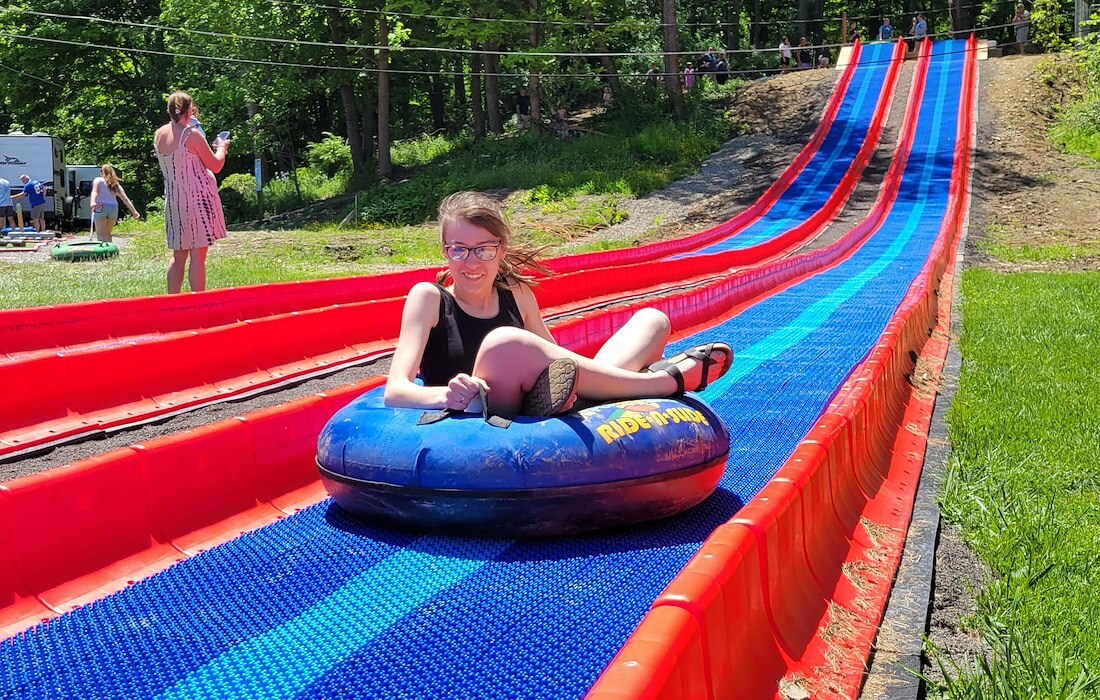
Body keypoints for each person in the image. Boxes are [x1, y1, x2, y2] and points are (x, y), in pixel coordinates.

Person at [383, 191, 734, 418]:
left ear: (501, 250)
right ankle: (661, 384)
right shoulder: (428, 298)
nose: (470, 262)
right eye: (458, 249)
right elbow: (395, 390)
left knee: (652, 320)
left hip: (535, 396)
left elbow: (557, 361)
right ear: (446, 251)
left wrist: (567, 386)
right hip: (485, 408)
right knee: (504, 342)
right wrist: (448, 395)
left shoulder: (517, 292)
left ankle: (586, 400)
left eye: (484, 249)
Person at [154, 90, 229, 294]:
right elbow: (215, 165)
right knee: (198, 255)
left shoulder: (159, 134)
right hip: (197, 199)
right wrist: (222, 147)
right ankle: (198, 304)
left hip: (174, 201)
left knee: (178, 256)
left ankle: (172, 304)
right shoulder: (191, 134)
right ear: (189, 109)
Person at [89, 164, 140, 243]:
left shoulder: (98, 180)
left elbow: (95, 191)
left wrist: (93, 202)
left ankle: (104, 253)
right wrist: (134, 211)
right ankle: (110, 252)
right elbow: (125, 199)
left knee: (101, 233)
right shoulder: (116, 184)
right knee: (108, 233)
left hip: (101, 206)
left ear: (101, 172)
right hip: (113, 208)